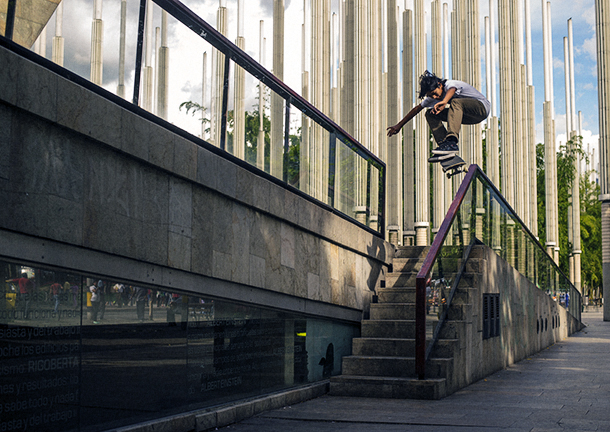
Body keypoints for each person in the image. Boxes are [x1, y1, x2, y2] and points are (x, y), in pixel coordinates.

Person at [387, 70, 490, 162]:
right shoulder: (434, 97)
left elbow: (452, 89)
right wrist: (399, 125)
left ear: (439, 85)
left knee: (455, 102)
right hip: (468, 116)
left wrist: (444, 101)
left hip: (481, 108)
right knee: (430, 113)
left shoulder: (450, 84)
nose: (435, 97)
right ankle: (444, 145)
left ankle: (451, 142)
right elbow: (417, 109)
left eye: (435, 93)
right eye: (431, 96)